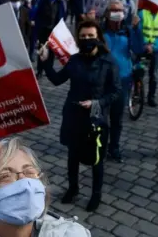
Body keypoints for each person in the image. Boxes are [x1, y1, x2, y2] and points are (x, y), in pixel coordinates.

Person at [38, 20, 121, 211]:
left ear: (98, 38)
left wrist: (96, 103)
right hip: (74, 115)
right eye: (83, 37)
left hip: (96, 115)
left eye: (91, 36)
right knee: (72, 155)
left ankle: (96, 194)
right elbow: (58, 80)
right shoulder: (75, 60)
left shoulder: (109, 62)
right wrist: (45, 61)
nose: (87, 40)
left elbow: (116, 91)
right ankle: (73, 188)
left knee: (97, 158)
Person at [103, 0, 143, 163]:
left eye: (120, 10)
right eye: (113, 10)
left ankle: (114, 148)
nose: (117, 13)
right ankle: (101, 147)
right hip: (103, 81)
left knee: (117, 119)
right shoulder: (100, 30)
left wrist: (136, 29)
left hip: (122, 80)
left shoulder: (128, 31)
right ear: (107, 13)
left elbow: (139, 49)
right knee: (101, 118)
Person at [137, 1, 158, 107]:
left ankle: (151, 97)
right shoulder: (142, 13)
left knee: (153, 74)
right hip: (143, 48)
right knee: (139, 71)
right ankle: (137, 94)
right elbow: (139, 30)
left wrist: (154, 46)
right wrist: (145, 44)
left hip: (156, 50)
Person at [32, 0, 65, 77]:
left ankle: (49, 69)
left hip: (54, 30)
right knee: (42, 50)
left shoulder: (59, 2)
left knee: (52, 51)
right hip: (43, 30)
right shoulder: (42, 0)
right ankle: (40, 70)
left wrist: (60, 28)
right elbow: (37, 14)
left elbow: (62, 16)